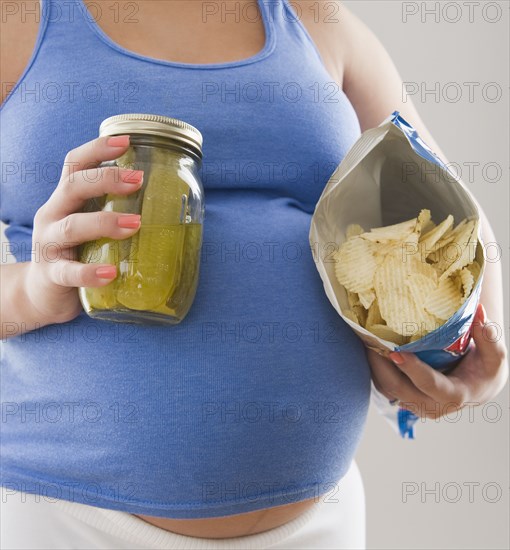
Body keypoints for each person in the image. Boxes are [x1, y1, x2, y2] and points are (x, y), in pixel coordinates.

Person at [0, 1, 507, 548]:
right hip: (65, 514)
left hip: (319, 523)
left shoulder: (317, 21)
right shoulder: (18, 22)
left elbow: (456, 213)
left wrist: (482, 359)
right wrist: (32, 292)